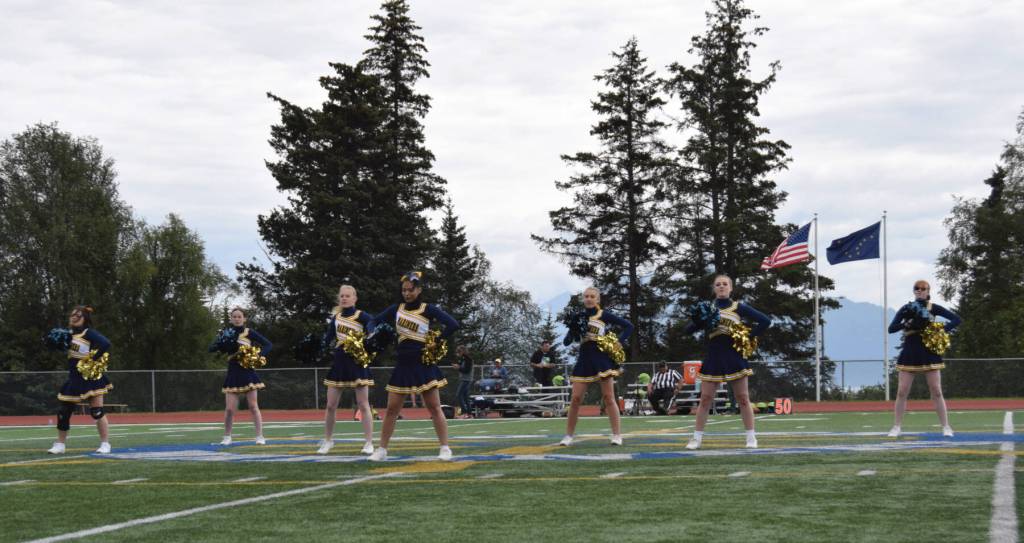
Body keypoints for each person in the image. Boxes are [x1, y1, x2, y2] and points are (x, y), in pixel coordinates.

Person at [368, 272, 459, 461]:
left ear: (419, 290)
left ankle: (445, 447)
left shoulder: (428, 309)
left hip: (423, 363)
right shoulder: (396, 309)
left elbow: (452, 324)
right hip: (403, 363)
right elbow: (373, 320)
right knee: (392, 408)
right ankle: (382, 449)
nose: (407, 294)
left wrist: (437, 341)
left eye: (411, 290)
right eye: (404, 290)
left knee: (434, 407)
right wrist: (372, 333)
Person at [686, 275, 771, 450]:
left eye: (725, 284)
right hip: (714, 356)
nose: (722, 287)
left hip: (734, 357)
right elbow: (687, 330)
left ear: (731, 288)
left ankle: (751, 437)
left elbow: (765, 321)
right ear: (714, 289)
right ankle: (696, 439)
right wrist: (698, 320)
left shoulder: (738, 307)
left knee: (743, 398)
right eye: (718, 285)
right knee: (705, 399)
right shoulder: (707, 308)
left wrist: (748, 336)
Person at [559, 287, 634, 447]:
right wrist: (572, 330)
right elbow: (566, 342)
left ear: (598, 299)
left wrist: (618, 343)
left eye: (592, 296)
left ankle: (616, 435)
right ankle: (568, 436)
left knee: (608, 397)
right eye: (586, 296)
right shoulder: (578, 317)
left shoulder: (603, 315)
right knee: (576, 399)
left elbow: (629, 326)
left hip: (601, 358)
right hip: (584, 358)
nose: (589, 299)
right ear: (583, 299)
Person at [886, 279, 962, 438]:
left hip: (929, 352)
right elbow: (891, 329)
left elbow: (956, 319)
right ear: (914, 291)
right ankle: (896, 427)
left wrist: (941, 331)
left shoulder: (933, 308)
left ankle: (946, 427)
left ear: (928, 291)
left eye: (923, 288)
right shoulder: (906, 308)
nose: (920, 290)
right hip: (910, 351)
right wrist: (905, 324)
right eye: (917, 288)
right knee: (902, 391)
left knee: (936, 391)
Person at [47, 306, 114, 454]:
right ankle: (60, 444)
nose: (74, 317)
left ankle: (105, 444)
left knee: (97, 411)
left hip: (90, 378)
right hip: (74, 378)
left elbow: (106, 343)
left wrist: (93, 360)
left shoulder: (88, 332)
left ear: (85, 319)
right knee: (64, 412)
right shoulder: (68, 334)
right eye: (72, 315)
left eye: (78, 316)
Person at [318, 285, 376, 455]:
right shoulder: (336, 318)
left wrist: (370, 334)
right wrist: (319, 347)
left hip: (357, 363)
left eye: (347, 296)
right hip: (339, 363)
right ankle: (328, 441)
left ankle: (369, 442)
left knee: (363, 404)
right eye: (342, 296)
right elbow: (328, 338)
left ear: (354, 298)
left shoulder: (362, 316)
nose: (344, 298)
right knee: (330, 405)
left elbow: (373, 326)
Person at [209, 308, 272, 446]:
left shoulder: (249, 332)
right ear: (231, 319)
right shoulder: (226, 333)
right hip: (233, 372)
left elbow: (268, 344)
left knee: (253, 406)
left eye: (239, 316)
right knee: (230, 409)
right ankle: (227, 437)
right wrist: (220, 344)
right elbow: (211, 348)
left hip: (247, 371)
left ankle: (260, 436)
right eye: (234, 316)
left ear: (244, 319)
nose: (237, 319)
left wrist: (258, 356)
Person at [452, 345, 474, 418]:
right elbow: (461, 366)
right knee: (465, 397)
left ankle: (464, 413)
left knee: (459, 395)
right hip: (463, 379)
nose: (458, 353)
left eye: (459, 352)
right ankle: (469, 413)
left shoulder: (468, 359)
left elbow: (466, 370)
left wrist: (458, 368)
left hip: (466, 380)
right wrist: (457, 366)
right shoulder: (463, 359)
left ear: (462, 351)